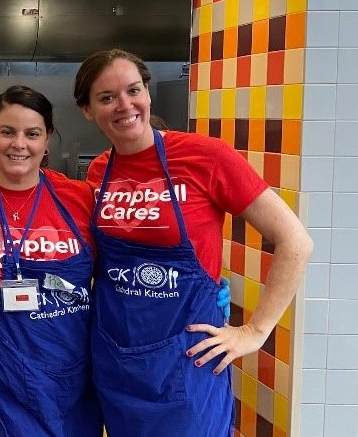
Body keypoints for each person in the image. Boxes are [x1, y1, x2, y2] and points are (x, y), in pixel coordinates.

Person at [73, 49, 313, 436]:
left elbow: (295, 242)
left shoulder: (206, 156)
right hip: (117, 360)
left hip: (189, 360)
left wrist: (254, 331)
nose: (124, 105)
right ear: (87, 109)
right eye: (106, 97)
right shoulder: (101, 170)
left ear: (147, 93)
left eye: (133, 90)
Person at [0, 85, 102, 437]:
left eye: (32, 134)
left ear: (47, 140)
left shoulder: (79, 197)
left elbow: (116, 268)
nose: (19, 144)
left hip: (70, 375)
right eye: (7, 132)